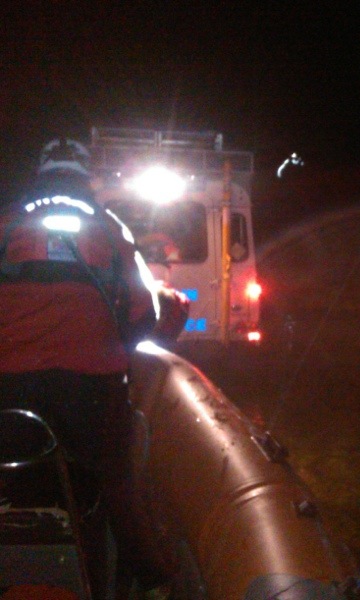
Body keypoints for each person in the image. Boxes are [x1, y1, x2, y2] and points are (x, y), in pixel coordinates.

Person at [0, 138, 174, 598]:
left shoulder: (6, 225)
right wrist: (110, 345)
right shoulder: (110, 230)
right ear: (85, 176)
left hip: (9, 391)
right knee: (117, 480)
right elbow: (145, 313)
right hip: (91, 391)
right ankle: (149, 577)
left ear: (39, 174)